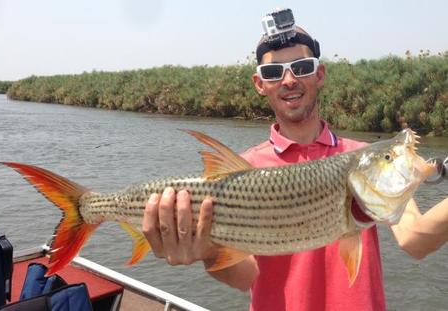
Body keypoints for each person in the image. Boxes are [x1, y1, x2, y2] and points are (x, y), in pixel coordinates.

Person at [141, 11, 448, 311]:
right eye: (274, 73)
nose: (289, 80)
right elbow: (245, 276)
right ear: (260, 84)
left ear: (320, 74)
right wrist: (207, 252)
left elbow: (415, 238)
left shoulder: (364, 157)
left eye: (301, 67)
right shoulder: (244, 167)